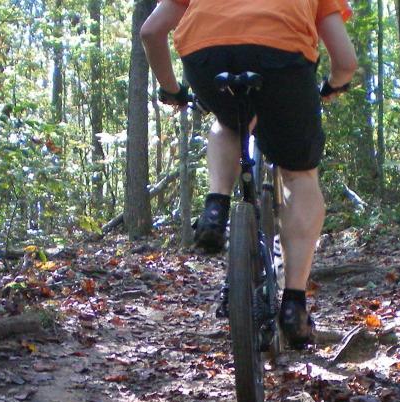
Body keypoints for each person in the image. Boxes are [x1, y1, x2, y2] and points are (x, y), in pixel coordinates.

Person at [140, 0, 357, 349]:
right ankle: (294, 304)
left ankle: (215, 207)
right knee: (299, 173)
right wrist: (333, 85)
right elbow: (346, 62)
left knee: (228, 122)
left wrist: (171, 89)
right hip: (284, 58)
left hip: (207, 55)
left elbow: (151, 31)